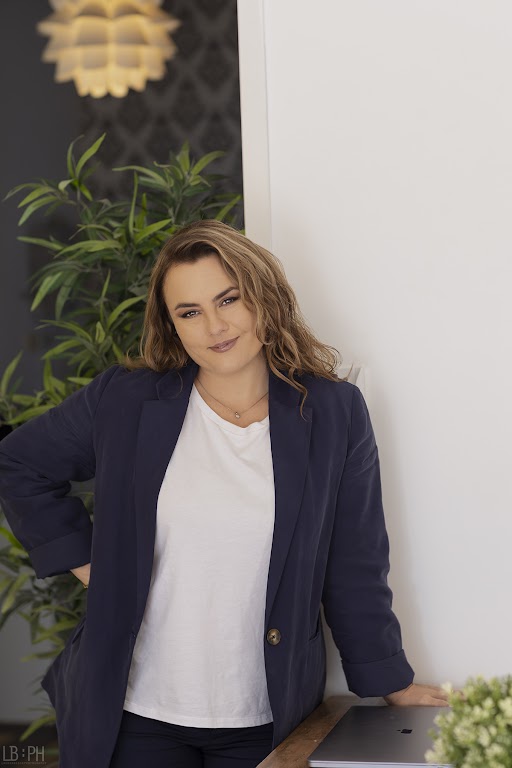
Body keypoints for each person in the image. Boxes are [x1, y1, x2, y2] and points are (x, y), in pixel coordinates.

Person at [0, 220, 449, 768]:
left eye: (228, 299)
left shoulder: (334, 412)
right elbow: (18, 462)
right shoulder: (125, 400)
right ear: (172, 326)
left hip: (265, 716)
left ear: (263, 296)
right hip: (133, 714)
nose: (214, 326)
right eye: (189, 312)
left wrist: (390, 682)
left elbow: (354, 562)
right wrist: (89, 562)